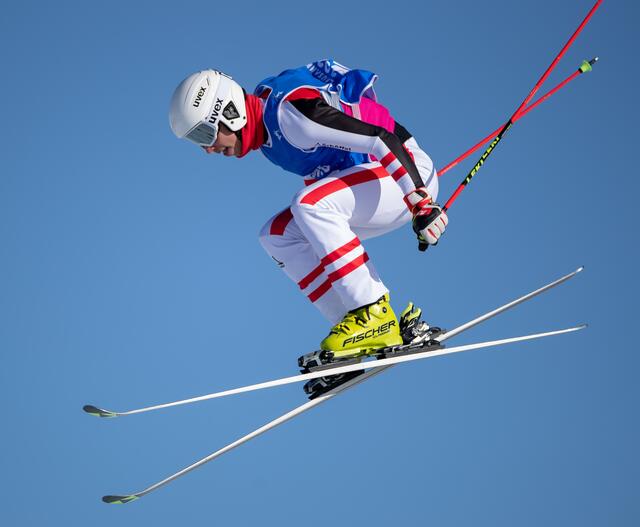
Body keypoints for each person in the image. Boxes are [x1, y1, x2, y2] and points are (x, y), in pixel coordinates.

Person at [169, 60, 448, 361]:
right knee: (276, 235)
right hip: (375, 182)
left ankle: (373, 313)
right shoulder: (268, 137)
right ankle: (356, 326)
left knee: (309, 203)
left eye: (204, 134)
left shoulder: (291, 113)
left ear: (228, 113)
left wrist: (421, 202)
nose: (207, 149)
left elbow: (381, 138)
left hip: (403, 172)